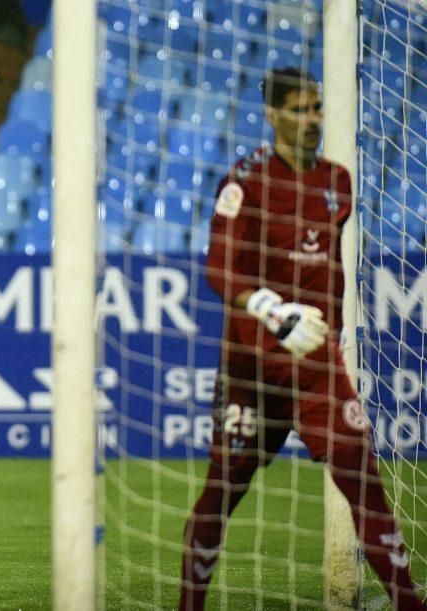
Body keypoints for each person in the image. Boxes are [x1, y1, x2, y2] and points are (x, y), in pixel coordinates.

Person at [178, 67, 425, 610]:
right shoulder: (245, 182)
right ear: (272, 114)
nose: (311, 119)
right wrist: (272, 308)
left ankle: (409, 603)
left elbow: (328, 267)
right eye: (299, 109)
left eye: (317, 108)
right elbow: (219, 269)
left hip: (317, 368)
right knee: (222, 494)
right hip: (252, 370)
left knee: (365, 483)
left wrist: (324, 328)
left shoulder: (337, 182)